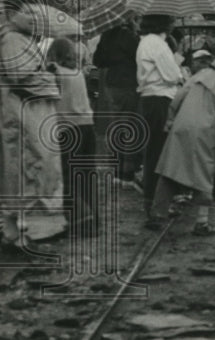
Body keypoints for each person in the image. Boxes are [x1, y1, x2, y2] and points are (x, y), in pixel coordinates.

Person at [146, 42, 215, 235]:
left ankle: (157, 215)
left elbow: (178, 97)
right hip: (205, 133)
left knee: (170, 171)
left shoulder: (201, 75)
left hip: (181, 126)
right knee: (204, 176)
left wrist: (171, 120)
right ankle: (201, 223)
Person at [0, 0, 67, 251]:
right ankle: (25, 233)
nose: (31, 16)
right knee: (28, 172)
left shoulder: (21, 39)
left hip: (29, 116)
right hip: (23, 118)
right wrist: (49, 77)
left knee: (27, 173)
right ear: (11, 14)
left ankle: (17, 232)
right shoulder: (12, 40)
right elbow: (21, 76)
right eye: (24, 12)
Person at [47, 37, 98, 232]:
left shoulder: (55, 72)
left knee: (68, 176)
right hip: (87, 126)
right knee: (86, 175)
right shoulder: (77, 73)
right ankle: (93, 219)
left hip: (67, 128)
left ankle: (79, 220)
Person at [136, 14, 186, 212]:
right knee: (160, 152)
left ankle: (154, 199)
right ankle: (156, 202)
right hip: (160, 99)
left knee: (154, 150)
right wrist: (180, 72)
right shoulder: (157, 44)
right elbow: (171, 75)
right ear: (162, 23)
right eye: (170, 20)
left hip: (150, 98)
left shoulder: (146, 42)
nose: (173, 23)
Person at [92, 12, 140, 180]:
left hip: (111, 83)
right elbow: (138, 56)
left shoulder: (107, 35)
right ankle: (127, 168)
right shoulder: (129, 36)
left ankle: (115, 165)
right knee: (129, 124)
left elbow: (97, 60)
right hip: (128, 82)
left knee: (115, 123)